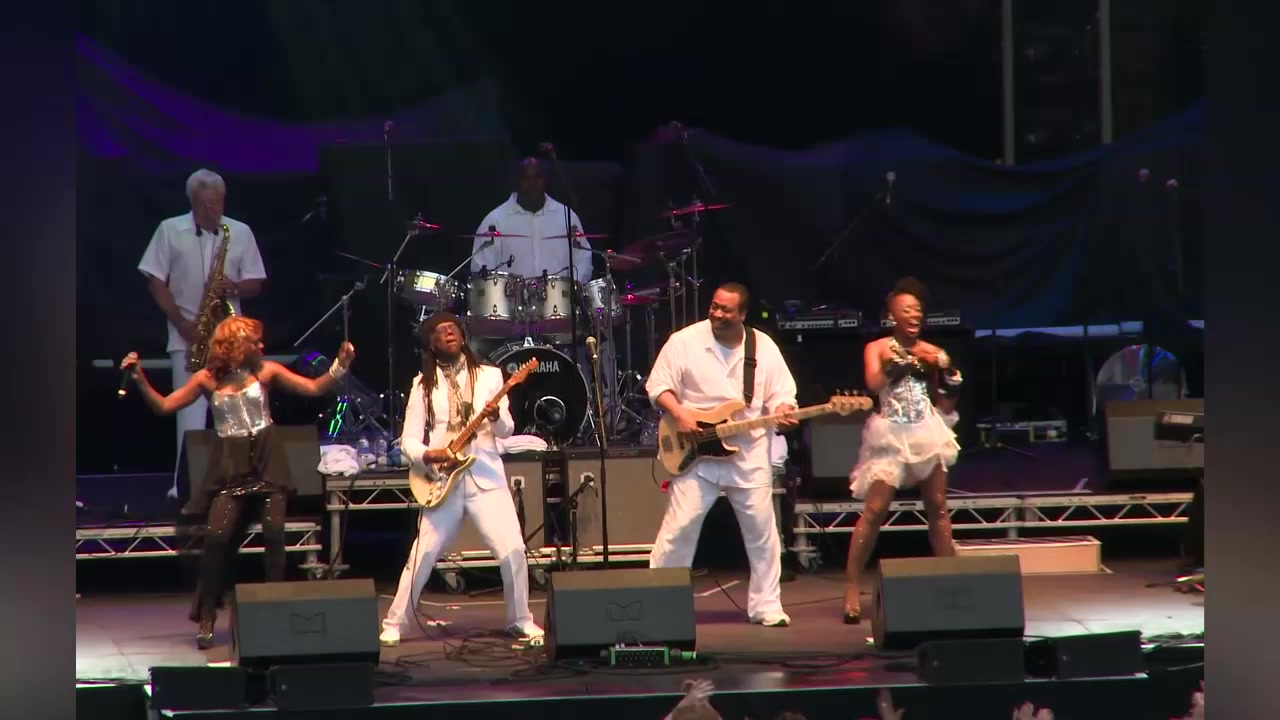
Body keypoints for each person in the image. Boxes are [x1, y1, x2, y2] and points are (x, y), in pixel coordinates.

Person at [120, 316, 354, 648]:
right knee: (217, 536)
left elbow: (314, 388)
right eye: (255, 341)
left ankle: (273, 609)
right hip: (230, 468)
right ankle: (207, 614)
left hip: (268, 463)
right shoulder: (206, 379)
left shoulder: (266, 372)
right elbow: (165, 406)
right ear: (235, 345)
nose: (262, 345)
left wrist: (340, 365)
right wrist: (140, 378)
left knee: (274, 531)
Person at [379, 312, 542, 646]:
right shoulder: (423, 385)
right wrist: (428, 455)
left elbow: (507, 429)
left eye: (452, 328)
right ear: (431, 344)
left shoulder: (491, 376)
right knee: (423, 554)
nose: (449, 332)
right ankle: (395, 622)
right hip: (442, 479)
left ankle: (521, 619)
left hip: (486, 477)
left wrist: (495, 418)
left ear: (463, 336)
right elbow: (409, 439)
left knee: (513, 549)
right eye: (440, 331)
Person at [645, 283, 798, 627]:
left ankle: (767, 606)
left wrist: (784, 411)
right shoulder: (685, 341)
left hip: (748, 456)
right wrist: (680, 414)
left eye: (725, 310)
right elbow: (658, 386)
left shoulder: (763, 347)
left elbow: (782, 395)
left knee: (762, 535)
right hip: (696, 456)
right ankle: (659, 602)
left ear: (742, 314)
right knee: (678, 531)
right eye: (714, 306)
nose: (716, 313)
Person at [137, 169, 268, 499]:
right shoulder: (169, 229)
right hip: (188, 335)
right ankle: (185, 486)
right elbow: (155, 281)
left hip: (232, 341)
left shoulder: (239, 231)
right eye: (206, 205)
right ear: (192, 201)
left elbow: (256, 282)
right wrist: (181, 323)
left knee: (239, 412)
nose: (213, 211)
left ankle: (243, 480)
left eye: (218, 203)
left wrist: (235, 287)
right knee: (189, 417)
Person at [842, 277, 963, 623]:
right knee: (875, 509)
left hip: (926, 430)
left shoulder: (932, 351)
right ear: (892, 315)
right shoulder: (878, 348)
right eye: (907, 310)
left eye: (918, 310)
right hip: (891, 434)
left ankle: (950, 583)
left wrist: (950, 378)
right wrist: (904, 362)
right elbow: (873, 383)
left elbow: (945, 401)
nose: (914, 315)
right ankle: (851, 586)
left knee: (937, 505)